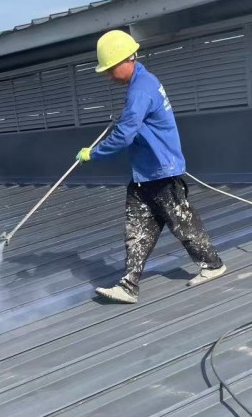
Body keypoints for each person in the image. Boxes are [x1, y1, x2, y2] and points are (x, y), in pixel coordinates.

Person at [76, 29, 226, 304]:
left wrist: (93, 154)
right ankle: (129, 284)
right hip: (145, 173)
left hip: (162, 170)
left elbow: (124, 136)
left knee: (182, 224)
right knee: (137, 230)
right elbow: (134, 123)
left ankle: (213, 265)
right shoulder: (143, 83)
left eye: (110, 70)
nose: (108, 77)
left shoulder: (141, 90)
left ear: (126, 60)